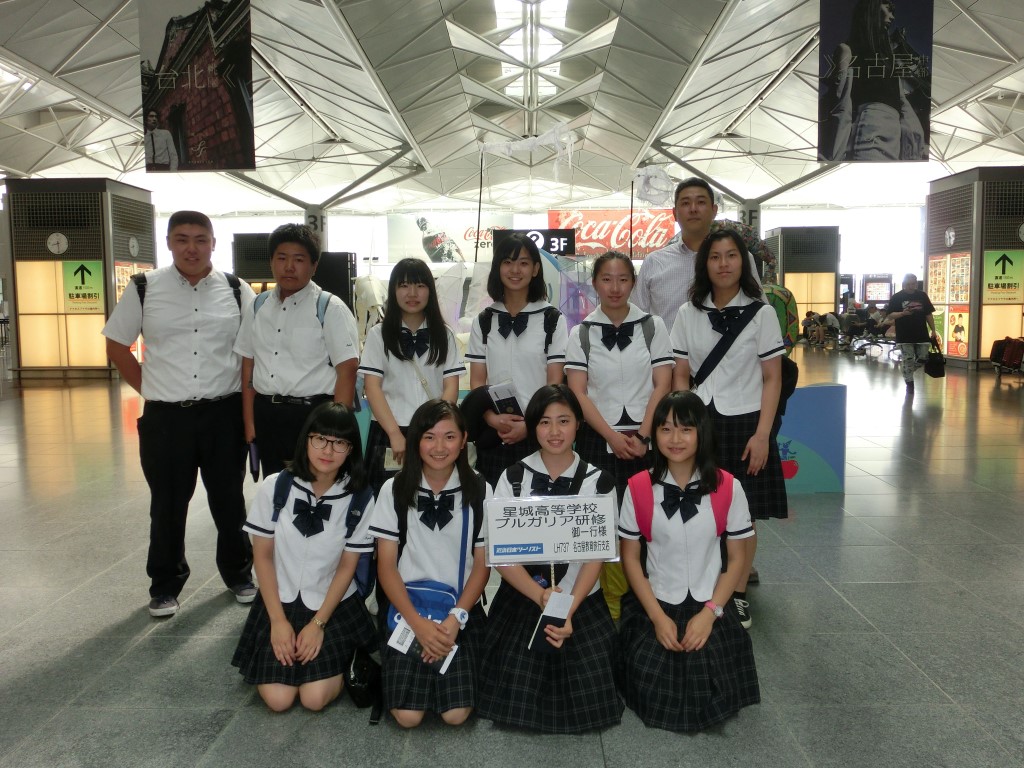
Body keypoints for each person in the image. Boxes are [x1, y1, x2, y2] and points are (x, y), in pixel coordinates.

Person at [102, 210, 255, 617]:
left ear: (213, 244)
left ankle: (239, 574)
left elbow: (252, 352)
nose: (192, 248)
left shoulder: (236, 289)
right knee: (168, 504)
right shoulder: (144, 287)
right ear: (169, 243)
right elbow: (116, 344)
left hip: (223, 414)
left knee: (229, 500)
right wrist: (151, 389)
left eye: (200, 239)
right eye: (182, 239)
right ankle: (165, 585)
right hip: (166, 419)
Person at [477, 385, 623, 733]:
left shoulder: (600, 482)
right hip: (525, 596)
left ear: (578, 425)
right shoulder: (512, 477)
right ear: (533, 426)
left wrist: (566, 608)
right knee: (513, 688)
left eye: (564, 421)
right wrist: (541, 596)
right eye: (544, 422)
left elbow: (596, 557)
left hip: (580, 599)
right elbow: (500, 555)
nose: (554, 431)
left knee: (591, 697)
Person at [617, 391, 759, 732]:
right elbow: (631, 559)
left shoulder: (729, 487)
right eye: (665, 429)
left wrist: (710, 614)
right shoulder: (637, 488)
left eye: (686, 429)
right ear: (654, 434)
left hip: (711, 602)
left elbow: (737, 558)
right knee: (651, 688)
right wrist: (656, 617)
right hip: (657, 602)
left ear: (702, 433)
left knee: (714, 689)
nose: (675, 439)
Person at [670, 230, 788, 629]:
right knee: (700, 507)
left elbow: (772, 378)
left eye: (731, 255)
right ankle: (703, 587)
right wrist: (681, 426)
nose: (723, 264)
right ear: (704, 264)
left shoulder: (762, 313)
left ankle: (737, 594)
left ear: (744, 262)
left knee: (743, 514)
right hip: (700, 423)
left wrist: (763, 434)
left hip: (746, 423)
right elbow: (681, 374)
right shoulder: (688, 313)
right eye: (715, 256)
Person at [231, 402, 377, 712]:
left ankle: (344, 653)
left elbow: (347, 567)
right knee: (279, 700)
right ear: (306, 439)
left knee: (314, 699)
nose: (328, 450)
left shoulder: (360, 497)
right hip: (279, 601)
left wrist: (318, 624)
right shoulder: (276, 487)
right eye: (320, 439)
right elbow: (262, 557)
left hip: (331, 605)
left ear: (351, 449)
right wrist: (277, 621)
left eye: (339, 442)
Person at [365, 399, 490, 728]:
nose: (439, 447)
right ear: (415, 440)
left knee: (455, 714)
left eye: (449, 437)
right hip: (406, 610)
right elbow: (386, 566)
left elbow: (482, 566)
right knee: (407, 717)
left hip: (460, 610)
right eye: (429, 437)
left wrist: (454, 620)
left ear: (463, 440)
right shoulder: (394, 489)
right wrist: (418, 625)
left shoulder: (480, 489)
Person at [235, 224, 359, 478]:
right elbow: (248, 363)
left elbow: (347, 370)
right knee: (275, 486)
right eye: (282, 258)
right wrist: (249, 422)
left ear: (314, 266)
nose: (289, 267)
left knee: (314, 486)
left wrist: (334, 432)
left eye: (299, 260)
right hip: (267, 414)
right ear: (271, 262)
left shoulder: (329, 308)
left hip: (313, 416)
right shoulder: (258, 306)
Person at [465, 233, 567, 486]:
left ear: (535, 269)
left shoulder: (552, 319)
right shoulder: (484, 320)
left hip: (540, 434)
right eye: (507, 262)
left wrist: (531, 425)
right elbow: (477, 381)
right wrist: (491, 418)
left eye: (523, 263)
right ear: (497, 267)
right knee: (492, 501)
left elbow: (554, 384)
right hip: (494, 433)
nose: (515, 270)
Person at [358, 257, 464, 494]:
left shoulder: (445, 335)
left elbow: (450, 387)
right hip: (389, 430)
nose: (412, 293)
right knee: (386, 498)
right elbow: (372, 388)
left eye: (420, 285)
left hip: (433, 431)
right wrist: (394, 434)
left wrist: (436, 429)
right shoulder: (378, 335)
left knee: (433, 496)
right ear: (393, 290)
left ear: (430, 291)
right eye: (404, 285)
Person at [634, 177, 763, 329]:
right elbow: (637, 319)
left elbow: (759, 312)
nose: (693, 209)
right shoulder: (654, 262)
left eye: (701, 202)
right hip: (666, 345)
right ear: (675, 213)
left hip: (726, 344)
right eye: (685, 203)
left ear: (714, 211)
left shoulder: (739, 259)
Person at [821, 0, 927, 161]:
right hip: (870, 128)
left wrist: (915, 139)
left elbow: (902, 101)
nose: (892, 17)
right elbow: (840, 101)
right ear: (872, 7)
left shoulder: (888, 60)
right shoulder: (847, 50)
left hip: (895, 134)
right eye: (888, 9)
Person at [884, 273, 938, 394]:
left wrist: (933, 330)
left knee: (924, 357)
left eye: (913, 284)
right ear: (904, 284)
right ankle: (909, 383)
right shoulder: (897, 297)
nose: (911, 286)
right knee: (908, 358)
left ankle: (907, 370)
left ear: (916, 284)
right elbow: (890, 315)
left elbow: (928, 314)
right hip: (904, 334)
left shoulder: (922, 296)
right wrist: (902, 313)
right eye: (908, 284)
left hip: (921, 333)